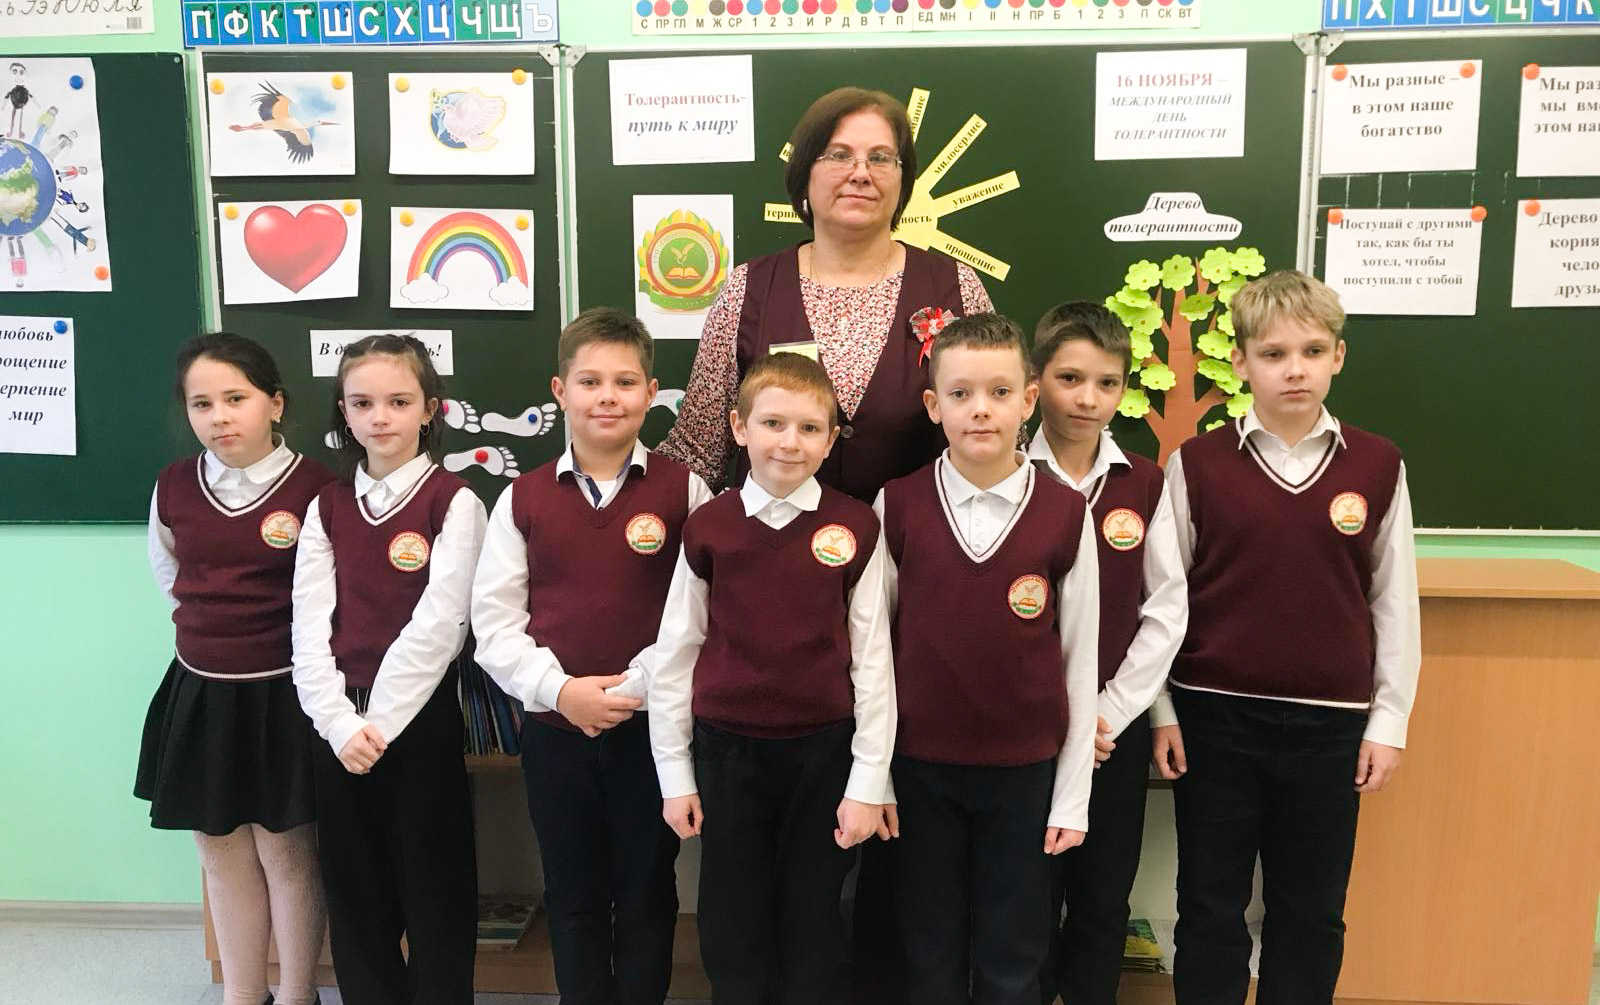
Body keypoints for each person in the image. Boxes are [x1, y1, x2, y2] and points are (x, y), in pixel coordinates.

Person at [1151, 271, 1420, 1005]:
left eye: (1311, 351)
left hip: (1331, 728)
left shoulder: (1378, 464)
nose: (1293, 369)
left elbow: (1393, 602)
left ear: (1338, 356)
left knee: (1311, 911)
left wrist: (1389, 720)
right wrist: (1163, 710)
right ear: (1240, 362)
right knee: (1210, 905)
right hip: (1213, 720)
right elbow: (1165, 602)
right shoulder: (1197, 465)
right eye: (1273, 354)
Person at [472, 308, 713, 1005]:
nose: (607, 396)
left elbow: (700, 614)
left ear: (651, 392)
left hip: (653, 731)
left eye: (625, 382)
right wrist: (562, 692)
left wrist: (633, 688)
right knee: (572, 892)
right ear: (560, 390)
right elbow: (493, 623)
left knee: (647, 888)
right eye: (590, 381)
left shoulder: (686, 491)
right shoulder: (521, 497)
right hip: (555, 732)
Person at [648, 352, 896, 1005]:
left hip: (824, 753)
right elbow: (676, 652)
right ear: (739, 427)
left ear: (831, 439)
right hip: (727, 753)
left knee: (814, 923)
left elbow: (873, 659)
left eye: (810, 428)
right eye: (773, 423)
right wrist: (675, 775)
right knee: (733, 927)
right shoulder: (709, 526)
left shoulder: (855, 525)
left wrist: (868, 782)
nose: (790, 441)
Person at [875, 313, 1099, 1005]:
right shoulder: (897, 505)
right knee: (929, 946)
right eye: (961, 393)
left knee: (1014, 953)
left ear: (1028, 400)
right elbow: (874, 652)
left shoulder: (1066, 512)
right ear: (933, 404)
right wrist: (876, 776)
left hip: (1025, 774)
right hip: (920, 770)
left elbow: (1079, 659)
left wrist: (1072, 794)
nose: (981, 409)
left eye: (1000, 392)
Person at [659, 86, 994, 502]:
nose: (861, 173)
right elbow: (699, 451)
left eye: (880, 158)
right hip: (776, 539)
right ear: (804, 173)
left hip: (919, 539)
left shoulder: (957, 287)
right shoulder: (747, 290)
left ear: (903, 179)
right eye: (839, 155)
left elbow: (1001, 438)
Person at [291, 334, 487, 1005]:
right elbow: (308, 624)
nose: (381, 417)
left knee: (435, 885)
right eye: (363, 403)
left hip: (418, 717)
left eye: (399, 401)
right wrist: (339, 722)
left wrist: (377, 721)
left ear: (430, 409)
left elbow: (442, 624)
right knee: (355, 889)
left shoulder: (454, 501)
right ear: (343, 413)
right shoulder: (327, 505)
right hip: (336, 723)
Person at [138, 332, 331, 1005]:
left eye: (235, 398)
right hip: (202, 691)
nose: (219, 416)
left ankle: (298, 991)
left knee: (287, 851)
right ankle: (244, 993)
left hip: (284, 694)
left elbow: (330, 595)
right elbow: (169, 572)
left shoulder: (316, 488)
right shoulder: (173, 486)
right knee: (218, 849)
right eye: (202, 404)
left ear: (274, 403)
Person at [1024, 303, 1187, 1005]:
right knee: (1026, 893)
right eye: (1070, 378)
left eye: (1107, 383)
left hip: (1110, 735)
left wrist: (1111, 713)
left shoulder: (1146, 483)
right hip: (1028, 732)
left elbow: (1165, 610)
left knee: (1102, 892)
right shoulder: (1004, 472)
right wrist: (1055, 716)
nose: (1088, 398)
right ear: (1035, 380)